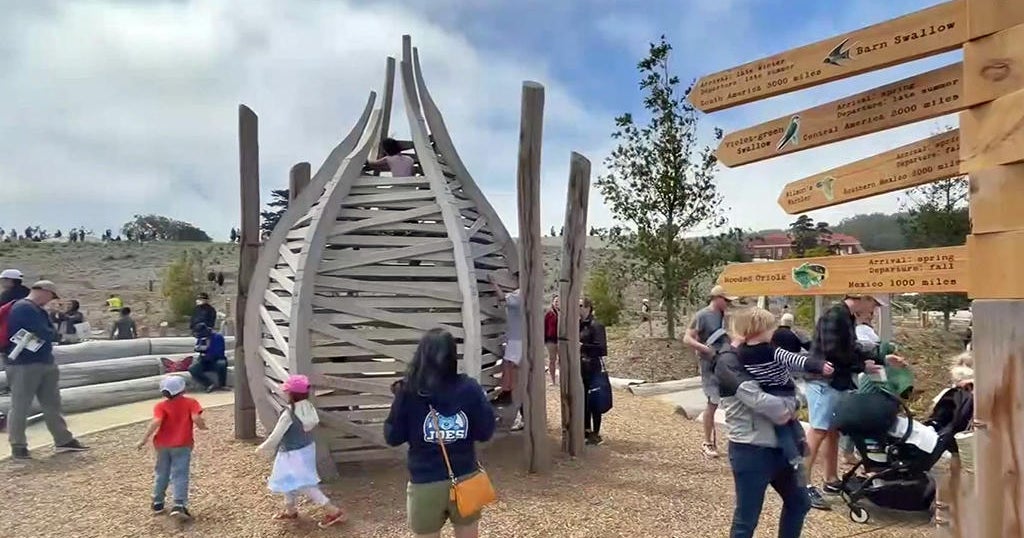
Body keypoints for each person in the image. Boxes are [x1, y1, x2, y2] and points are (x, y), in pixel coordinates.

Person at [384, 328, 496, 538]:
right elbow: (486, 431)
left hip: (426, 481)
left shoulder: (408, 391)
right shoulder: (469, 388)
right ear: (453, 356)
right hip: (465, 475)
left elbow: (393, 437)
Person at [803, 294, 900, 510]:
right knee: (818, 431)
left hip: (835, 381)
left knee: (832, 431)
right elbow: (834, 352)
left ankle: (830, 479)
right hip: (823, 381)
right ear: (863, 298)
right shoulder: (835, 316)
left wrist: (880, 358)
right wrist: (862, 365)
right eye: (873, 304)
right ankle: (802, 485)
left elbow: (851, 348)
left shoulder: (845, 317)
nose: (873, 310)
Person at [715, 331, 811, 538]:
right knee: (746, 520)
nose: (771, 335)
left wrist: (793, 401)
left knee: (800, 502)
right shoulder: (728, 363)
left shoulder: (767, 359)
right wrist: (792, 403)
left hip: (783, 449)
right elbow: (773, 408)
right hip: (752, 450)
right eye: (766, 329)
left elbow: (798, 394)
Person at [733, 308, 832, 488]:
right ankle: (796, 458)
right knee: (787, 425)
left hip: (768, 392)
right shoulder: (772, 351)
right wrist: (819, 365)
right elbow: (795, 359)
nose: (773, 332)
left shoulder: (740, 353)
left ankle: (798, 450)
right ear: (760, 330)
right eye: (770, 329)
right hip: (783, 392)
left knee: (786, 425)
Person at [4, 281, 88, 459]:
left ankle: (63, 439)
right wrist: (52, 333)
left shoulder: (36, 309)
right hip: (23, 364)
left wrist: (51, 333)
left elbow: (47, 332)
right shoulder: (23, 308)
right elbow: (44, 332)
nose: (51, 300)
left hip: (43, 360)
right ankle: (18, 445)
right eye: (51, 295)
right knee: (21, 405)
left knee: (52, 403)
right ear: (43, 291)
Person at [257, 374, 346, 528]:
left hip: (292, 453)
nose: (284, 393)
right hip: (306, 448)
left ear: (291, 394)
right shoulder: (308, 406)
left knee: (304, 484)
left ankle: (333, 511)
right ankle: (290, 510)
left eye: (287, 391)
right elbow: (313, 423)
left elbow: (275, 436)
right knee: (288, 480)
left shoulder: (288, 414)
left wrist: (262, 448)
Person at [136, 376, 206, 520]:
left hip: (162, 445)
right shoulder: (191, 403)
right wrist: (202, 426)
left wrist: (143, 439)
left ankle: (157, 502)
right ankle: (179, 504)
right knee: (180, 474)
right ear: (183, 389)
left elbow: (156, 422)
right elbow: (196, 418)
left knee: (161, 472)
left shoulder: (160, 406)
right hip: (182, 444)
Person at [682, 284, 737, 458]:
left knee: (731, 399)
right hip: (709, 364)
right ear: (717, 299)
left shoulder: (724, 316)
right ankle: (707, 442)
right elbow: (687, 338)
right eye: (726, 300)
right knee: (712, 402)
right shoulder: (702, 315)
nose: (728, 303)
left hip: (724, 362)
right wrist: (705, 349)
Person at [488, 274, 523, 430]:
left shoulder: (521, 294)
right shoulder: (525, 294)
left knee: (513, 372)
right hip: (517, 338)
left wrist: (494, 283)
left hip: (517, 339)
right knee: (509, 368)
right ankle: (507, 395)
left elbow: (503, 298)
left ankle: (510, 398)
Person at [580, 297, 609, 446]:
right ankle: (585, 430)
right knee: (583, 400)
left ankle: (595, 433)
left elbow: (602, 349)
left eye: (580, 305)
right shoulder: (578, 325)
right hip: (581, 368)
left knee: (594, 401)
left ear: (587, 308)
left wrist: (582, 346)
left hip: (593, 368)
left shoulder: (596, 326)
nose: (577, 308)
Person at [188, 323, 228, 392]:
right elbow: (198, 347)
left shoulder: (217, 337)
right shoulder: (201, 338)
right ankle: (209, 384)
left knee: (221, 364)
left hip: (216, 360)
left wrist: (207, 351)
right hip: (204, 361)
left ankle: (222, 385)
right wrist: (199, 349)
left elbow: (219, 352)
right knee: (192, 368)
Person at [544, 294, 559, 386]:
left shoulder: (564, 313)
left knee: (562, 360)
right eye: (556, 301)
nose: (557, 303)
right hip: (551, 339)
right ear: (552, 303)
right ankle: (553, 381)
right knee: (552, 360)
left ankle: (563, 379)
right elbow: (544, 326)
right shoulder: (549, 314)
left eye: (558, 301)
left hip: (561, 339)